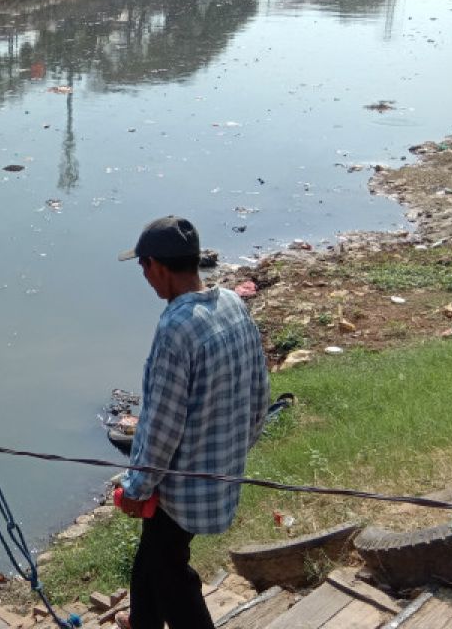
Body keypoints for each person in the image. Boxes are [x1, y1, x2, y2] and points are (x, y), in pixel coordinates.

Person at [113, 216, 269, 629]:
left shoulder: (176, 327)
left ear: (158, 266)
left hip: (182, 490)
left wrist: (136, 487)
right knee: (153, 558)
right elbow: (260, 395)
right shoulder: (233, 304)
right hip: (221, 474)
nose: (145, 278)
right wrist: (236, 450)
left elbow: (161, 426)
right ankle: (142, 622)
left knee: (172, 578)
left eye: (143, 267)